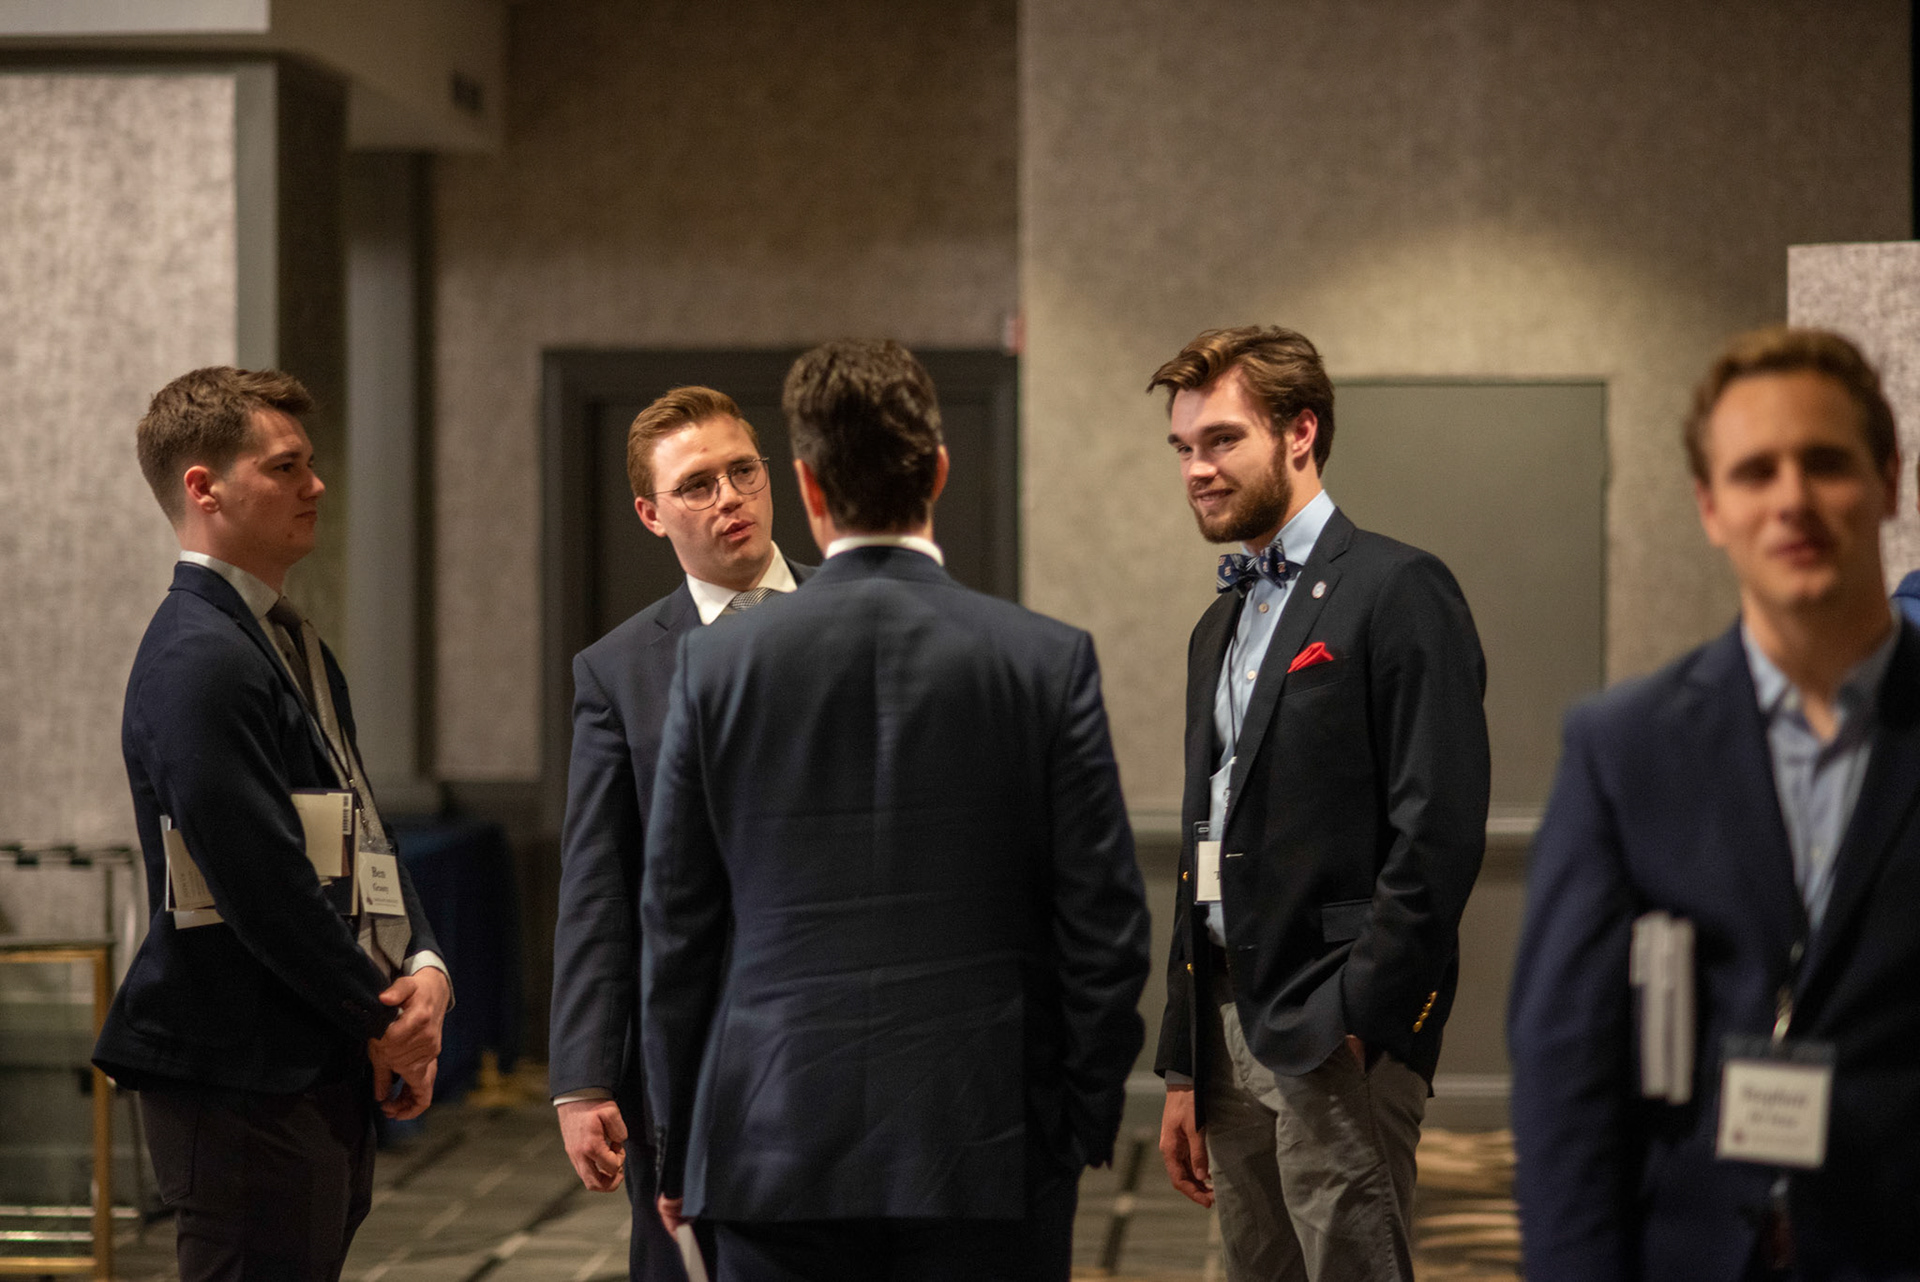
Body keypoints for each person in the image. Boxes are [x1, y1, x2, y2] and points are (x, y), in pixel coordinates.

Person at [640, 339, 1151, 1281]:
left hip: (771, 1143)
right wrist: (1077, 1121)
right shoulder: (1043, 660)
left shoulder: (716, 667)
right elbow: (1106, 928)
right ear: (940, 473)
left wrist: (678, 1145)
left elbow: (678, 933)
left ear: (807, 486)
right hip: (988, 1144)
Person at [1511, 327, 1920, 1280]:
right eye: (1754, 472)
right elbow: (1567, 1072)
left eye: (1826, 463)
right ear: (1710, 506)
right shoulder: (1625, 748)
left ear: (1890, 481)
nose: (1792, 499)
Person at [1148, 326, 1490, 1281]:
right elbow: (1205, 840)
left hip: (1334, 1027)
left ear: (1300, 432)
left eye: (1222, 440)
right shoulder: (1217, 624)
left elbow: (1438, 829)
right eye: (1183, 447)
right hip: (1226, 1022)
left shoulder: (1398, 587)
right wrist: (1184, 1059)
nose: (1197, 469)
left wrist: (1364, 1011)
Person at [95, 366, 450, 1281]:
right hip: (242, 1068)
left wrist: (423, 964)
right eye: (285, 467)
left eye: (309, 464)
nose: (315, 485)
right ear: (203, 489)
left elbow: (359, 822)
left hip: (304, 1055)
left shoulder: (284, 640)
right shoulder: (199, 656)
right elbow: (261, 884)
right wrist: (380, 1018)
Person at [549, 385, 811, 1279]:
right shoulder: (618, 670)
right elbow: (597, 883)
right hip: (691, 1050)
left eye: (743, 471)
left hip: (843, 1034)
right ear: (651, 514)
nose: (730, 497)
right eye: (697, 485)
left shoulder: (863, 614)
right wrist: (582, 1077)